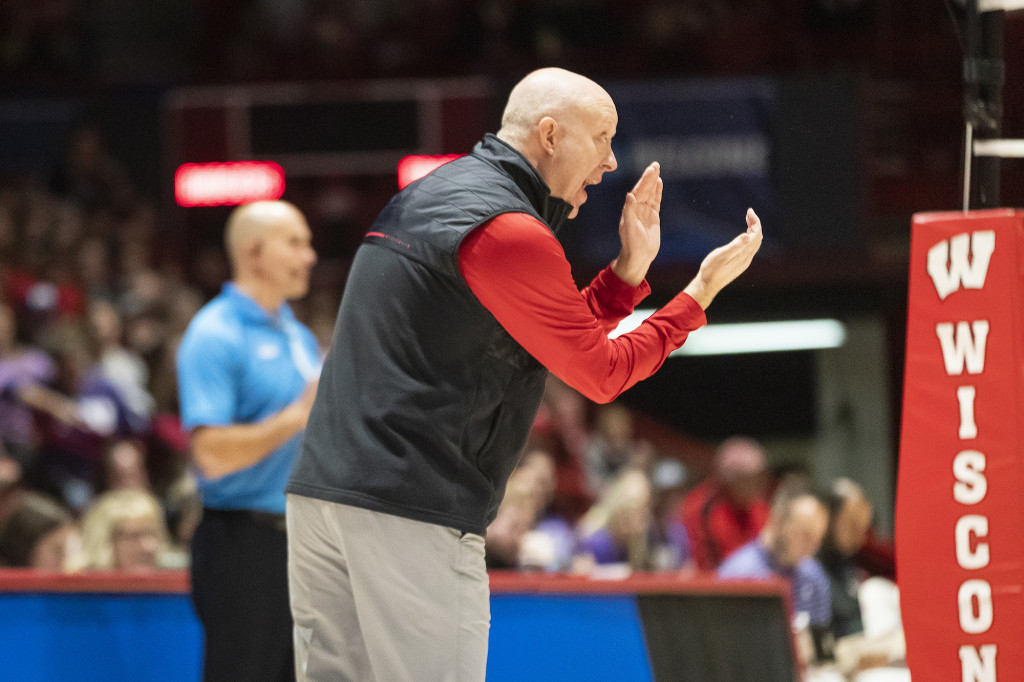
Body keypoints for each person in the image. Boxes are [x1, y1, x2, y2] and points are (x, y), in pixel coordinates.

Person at [286, 67, 763, 682]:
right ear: (549, 134)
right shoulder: (509, 230)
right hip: (409, 505)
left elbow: (545, 338)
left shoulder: (439, 193)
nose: (612, 162)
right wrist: (699, 294)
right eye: (602, 139)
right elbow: (601, 373)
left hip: (324, 494)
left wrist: (624, 273)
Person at [176, 200, 320, 682]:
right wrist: (297, 417)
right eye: (295, 243)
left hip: (298, 542)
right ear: (254, 252)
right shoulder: (213, 334)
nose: (310, 256)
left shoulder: (296, 334)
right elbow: (210, 455)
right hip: (243, 545)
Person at [718, 482, 833, 662]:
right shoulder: (737, 575)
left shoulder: (813, 576)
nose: (811, 548)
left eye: (817, 539)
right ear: (778, 520)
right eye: (804, 534)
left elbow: (821, 649)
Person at [681, 435, 770, 571]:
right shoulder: (701, 508)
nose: (759, 484)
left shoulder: (760, 508)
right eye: (750, 479)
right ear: (729, 480)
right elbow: (706, 567)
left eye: (760, 476)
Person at [70, 488, 171, 572]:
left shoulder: (176, 588)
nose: (148, 547)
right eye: (133, 536)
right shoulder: (75, 590)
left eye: (153, 535)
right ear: (104, 540)